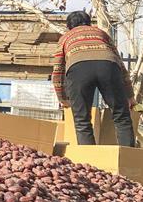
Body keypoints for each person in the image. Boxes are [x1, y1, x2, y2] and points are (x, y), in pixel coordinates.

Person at [52, 10, 136, 146]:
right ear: (89, 23)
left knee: (82, 121)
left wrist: (62, 98)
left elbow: (57, 71)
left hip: (78, 69)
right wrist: (130, 96)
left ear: (69, 26)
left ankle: (88, 159)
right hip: (108, 66)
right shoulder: (101, 34)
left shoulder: (66, 37)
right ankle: (128, 157)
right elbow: (121, 67)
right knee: (122, 116)